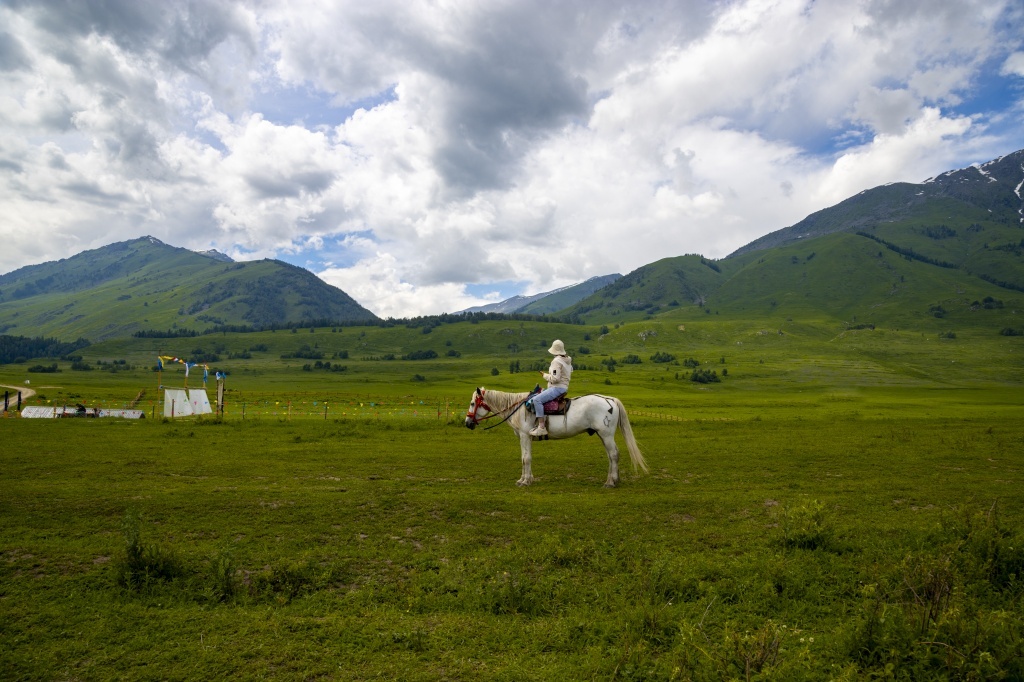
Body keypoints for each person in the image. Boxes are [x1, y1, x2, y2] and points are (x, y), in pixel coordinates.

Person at [529, 340, 572, 436]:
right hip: (564, 387)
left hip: (557, 388)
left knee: (536, 400)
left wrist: (544, 375)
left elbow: (555, 379)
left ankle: (541, 427)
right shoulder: (568, 359)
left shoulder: (556, 361)